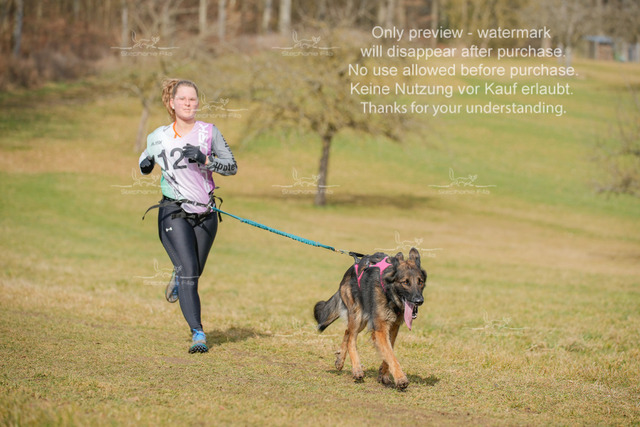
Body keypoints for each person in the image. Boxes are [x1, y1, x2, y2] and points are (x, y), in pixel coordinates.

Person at [138, 79, 237, 353]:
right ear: (172, 103)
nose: (188, 103)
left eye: (192, 99)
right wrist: (145, 164)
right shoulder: (158, 136)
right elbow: (145, 161)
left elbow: (232, 167)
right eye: (182, 99)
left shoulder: (209, 132)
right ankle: (198, 334)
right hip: (173, 212)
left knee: (194, 271)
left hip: (206, 213)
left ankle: (177, 277)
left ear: (198, 103)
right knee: (190, 274)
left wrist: (205, 160)